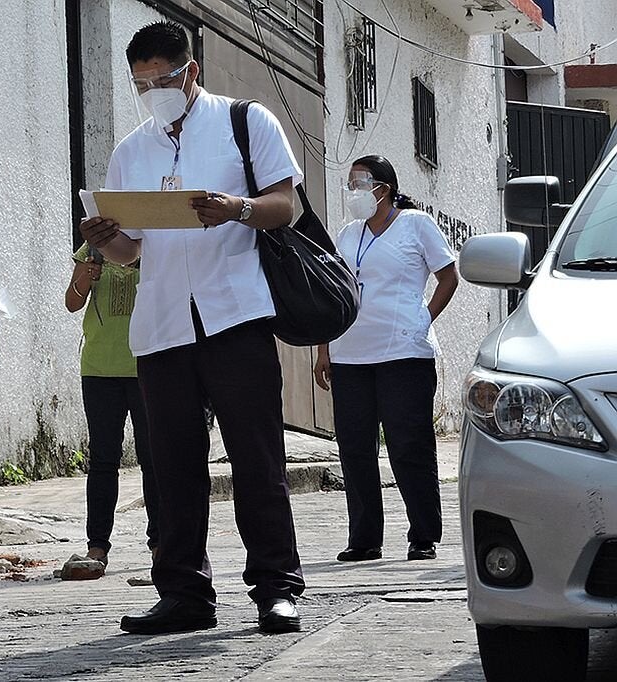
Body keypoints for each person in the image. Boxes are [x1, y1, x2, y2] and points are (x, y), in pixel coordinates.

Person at [79, 21, 305, 636]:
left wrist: (239, 209)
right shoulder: (132, 150)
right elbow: (132, 252)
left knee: (256, 458)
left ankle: (275, 588)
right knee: (171, 466)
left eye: (164, 79)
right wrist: (108, 239)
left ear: (191, 72)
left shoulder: (245, 121)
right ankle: (183, 592)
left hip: (234, 314)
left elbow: (288, 204)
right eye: (142, 84)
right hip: (161, 325)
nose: (155, 91)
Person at [314, 155, 459, 563]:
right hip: (350, 355)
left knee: (408, 444)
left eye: (360, 184)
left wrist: (422, 318)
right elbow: (334, 293)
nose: (353, 192)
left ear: (385, 188)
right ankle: (364, 539)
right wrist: (325, 349)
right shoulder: (347, 234)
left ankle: (423, 535)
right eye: (349, 185)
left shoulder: (416, 224)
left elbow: (449, 275)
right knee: (355, 447)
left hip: (403, 352)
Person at [63, 245, 159, 572]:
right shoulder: (93, 251)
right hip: (99, 368)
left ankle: (160, 544)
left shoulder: (154, 245)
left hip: (147, 365)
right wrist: (87, 278)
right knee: (103, 459)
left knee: (153, 458)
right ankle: (97, 547)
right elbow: (72, 303)